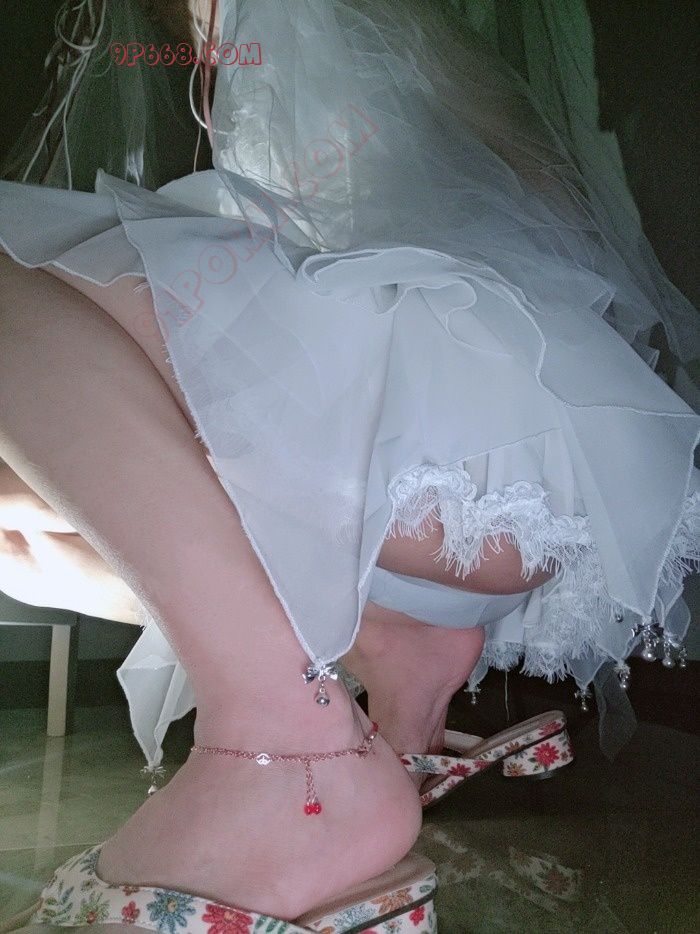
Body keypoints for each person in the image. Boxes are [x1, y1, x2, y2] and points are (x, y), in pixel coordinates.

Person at [0, 0, 698, 929]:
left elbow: (548, 191)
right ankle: (382, 644)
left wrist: (522, 382)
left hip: (472, 452)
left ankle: (288, 737)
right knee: (16, 523)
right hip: (418, 523)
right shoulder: (224, 56)